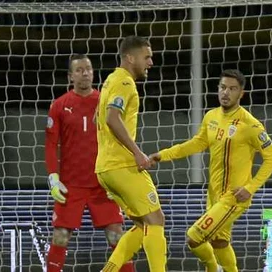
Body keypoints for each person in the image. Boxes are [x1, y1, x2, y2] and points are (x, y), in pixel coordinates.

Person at [150, 70, 272, 272]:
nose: (226, 92)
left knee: (193, 237)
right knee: (219, 242)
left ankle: (213, 269)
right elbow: (196, 144)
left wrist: (251, 187)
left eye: (232, 88)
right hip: (213, 195)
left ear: (241, 94)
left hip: (233, 197)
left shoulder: (250, 124)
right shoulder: (211, 116)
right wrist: (163, 155)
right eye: (222, 87)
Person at [45, 54, 133, 272]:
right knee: (60, 237)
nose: (85, 73)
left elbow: (120, 138)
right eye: (79, 70)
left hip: (102, 183)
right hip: (70, 185)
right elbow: (50, 144)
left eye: (89, 69)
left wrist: (119, 176)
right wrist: (53, 177)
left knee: (117, 236)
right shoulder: (59, 106)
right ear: (70, 77)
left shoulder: (105, 102)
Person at [95, 36, 166, 272]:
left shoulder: (109, 81)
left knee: (140, 224)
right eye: (147, 57)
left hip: (105, 168)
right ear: (130, 58)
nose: (151, 62)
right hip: (122, 165)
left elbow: (99, 117)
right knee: (156, 220)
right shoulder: (125, 83)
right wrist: (137, 153)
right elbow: (111, 118)